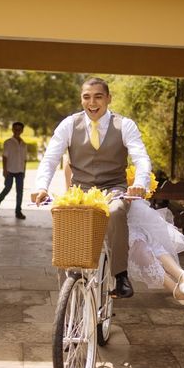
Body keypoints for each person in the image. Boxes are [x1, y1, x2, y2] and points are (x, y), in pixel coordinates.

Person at [32, 77, 150, 298]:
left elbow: (141, 158)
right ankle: (73, 276)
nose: (92, 102)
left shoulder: (124, 125)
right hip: (81, 191)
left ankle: (121, 275)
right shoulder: (69, 124)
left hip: (113, 188)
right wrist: (42, 187)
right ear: (81, 99)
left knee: (115, 211)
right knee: (66, 215)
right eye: (87, 97)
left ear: (108, 99)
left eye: (98, 96)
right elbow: (50, 158)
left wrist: (140, 184)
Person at [127, 198, 184, 306]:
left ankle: (183, 276)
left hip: (130, 207)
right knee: (138, 242)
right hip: (109, 210)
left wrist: (138, 186)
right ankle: (176, 290)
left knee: (152, 238)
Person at [0, 121, 27, 220]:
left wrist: (24, 171)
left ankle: (18, 211)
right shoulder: (8, 142)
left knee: (20, 192)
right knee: (7, 188)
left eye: (19, 129)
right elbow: (4, 157)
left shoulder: (24, 144)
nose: (17, 131)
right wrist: (4, 170)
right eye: (15, 129)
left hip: (20, 171)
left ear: (22, 130)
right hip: (10, 170)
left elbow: (25, 159)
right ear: (12, 130)